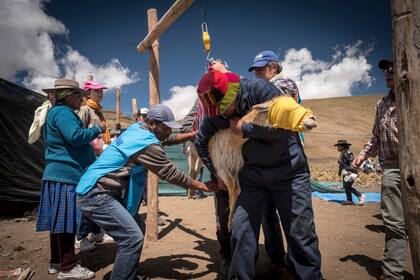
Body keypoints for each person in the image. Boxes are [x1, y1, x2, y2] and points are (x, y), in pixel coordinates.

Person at [195, 68, 322, 280]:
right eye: (217, 111)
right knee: (241, 229)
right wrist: (218, 173)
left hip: (288, 171)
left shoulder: (261, 89)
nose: (222, 114)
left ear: (233, 93)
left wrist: (245, 128)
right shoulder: (216, 114)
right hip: (252, 177)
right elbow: (201, 142)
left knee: (300, 232)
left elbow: (287, 128)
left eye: (224, 108)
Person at [76, 104, 215, 280]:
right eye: (165, 127)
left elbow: (166, 139)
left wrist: (188, 136)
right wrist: (203, 186)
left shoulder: (137, 129)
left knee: (137, 229)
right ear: (151, 122)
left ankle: (127, 274)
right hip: (96, 194)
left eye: (169, 128)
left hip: (100, 189)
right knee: (132, 238)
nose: (167, 132)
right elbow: (171, 174)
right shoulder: (147, 143)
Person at [36, 79, 103, 280]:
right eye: (78, 95)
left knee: (59, 222)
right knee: (66, 223)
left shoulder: (57, 112)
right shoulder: (63, 112)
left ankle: (57, 262)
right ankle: (69, 267)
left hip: (58, 174)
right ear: (68, 95)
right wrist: (96, 130)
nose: (81, 99)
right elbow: (75, 136)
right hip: (66, 175)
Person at [353, 59, 407, 280]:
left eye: (392, 69)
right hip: (392, 166)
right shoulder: (381, 104)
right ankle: (393, 273)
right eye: (385, 69)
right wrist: (364, 153)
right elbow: (376, 136)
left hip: (416, 163)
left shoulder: (414, 96)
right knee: (393, 220)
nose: (387, 72)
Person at [76, 80, 113, 252]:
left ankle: (96, 232)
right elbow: (78, 135)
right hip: (87, 160)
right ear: (88, 93)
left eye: (101, 90)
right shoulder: (84, 111)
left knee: (97, 195)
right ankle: (80, 237)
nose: (100, 93)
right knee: (89, 195)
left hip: (97, 160)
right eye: (97, 90)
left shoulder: (98, 112)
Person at [334, 140, 366, 205]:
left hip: (350, 172)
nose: (337, 147)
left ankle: (360, 196)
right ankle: (349, 200)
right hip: (345, 172)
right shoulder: (342, 153)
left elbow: (351, 162)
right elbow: (342, 164)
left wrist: (349, 171)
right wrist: (340, 172)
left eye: (338, 146)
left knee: (347, 186)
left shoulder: (348, 153)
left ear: (343, 146)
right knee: (346, 186)